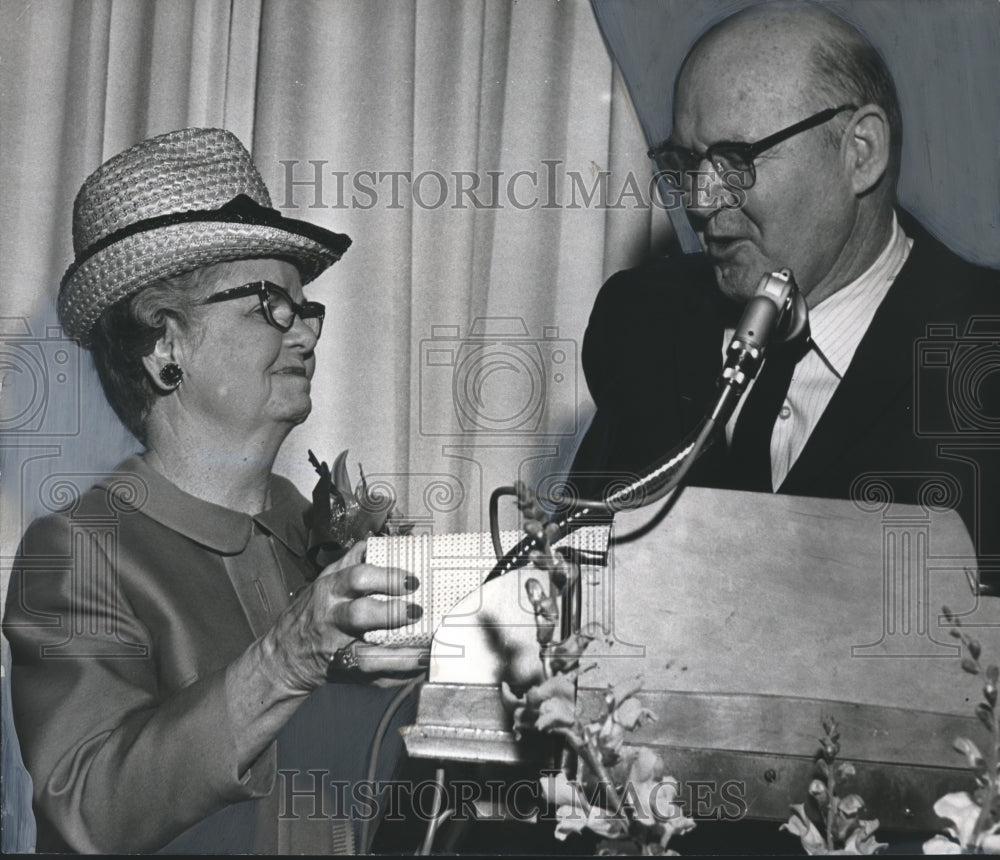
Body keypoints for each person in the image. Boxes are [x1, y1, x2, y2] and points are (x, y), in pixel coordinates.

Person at [3, 127, 424, 854]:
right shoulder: (78, 550)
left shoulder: (313, 530)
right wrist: (290, 655)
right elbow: (89, 811)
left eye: (304, 307)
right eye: (269, 304)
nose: (304, 335)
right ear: (166, 345)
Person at [569, 2, 1000, 581]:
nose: (698, 201)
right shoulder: (645, 321)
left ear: (861, 152)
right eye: (686, 162)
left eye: (736, 159)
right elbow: (574, 580)